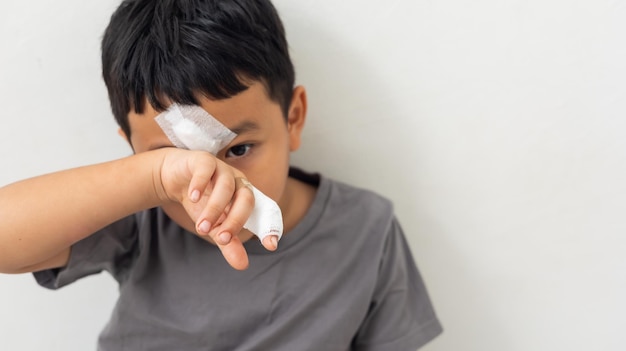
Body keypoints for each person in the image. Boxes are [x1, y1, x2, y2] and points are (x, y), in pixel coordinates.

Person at [0, 0, 443, 350]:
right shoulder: (143, 215)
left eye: (238, 149)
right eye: (174, 160)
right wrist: (152, 181)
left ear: (293, 118)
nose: (216, 186)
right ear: (135, 154)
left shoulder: (366, 229)